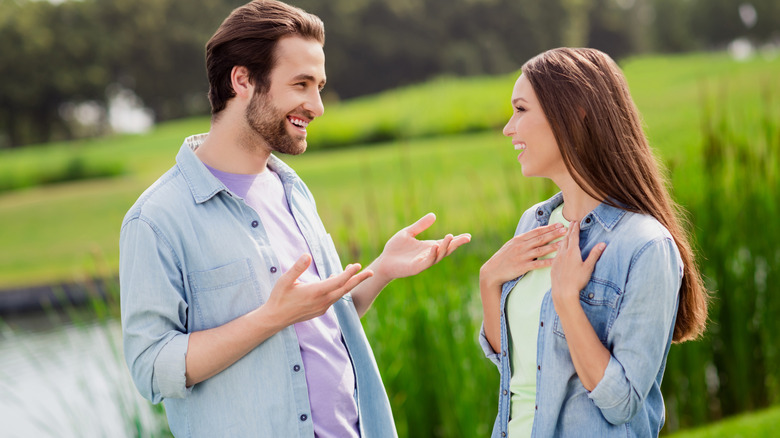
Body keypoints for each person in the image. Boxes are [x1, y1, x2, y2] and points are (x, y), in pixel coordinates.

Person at [118, 1, 470, 437]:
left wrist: (381, 270)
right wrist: (271, 317)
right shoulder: (156, 220)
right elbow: (152, 369)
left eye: (319, 85)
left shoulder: (292, 190)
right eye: (301, 84)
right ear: (242, 80)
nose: (317, 106)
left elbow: (321, 318)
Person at [478, 47, 709, 437]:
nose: (508, 128)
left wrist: (568, 302)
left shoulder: (645, 246)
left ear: (576, 113)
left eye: (521, 110)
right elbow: (516, 372)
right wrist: (489, 282)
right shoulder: (533, 223)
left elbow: (621, 403)